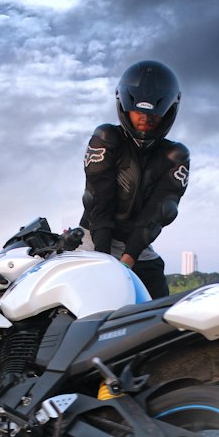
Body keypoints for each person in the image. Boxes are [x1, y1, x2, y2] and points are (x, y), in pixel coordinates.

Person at [80, 60, 190, 299]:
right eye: (139, 110)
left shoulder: (175, 156)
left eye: (153, 113)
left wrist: (128, 258)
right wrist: (104, 259)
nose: (145, 118)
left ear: (168, 111)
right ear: (125, 105)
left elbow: (160, 211)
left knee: (159, 309)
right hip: (93, 237)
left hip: (137, 245)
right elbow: (99, 200)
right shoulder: (106, 138)